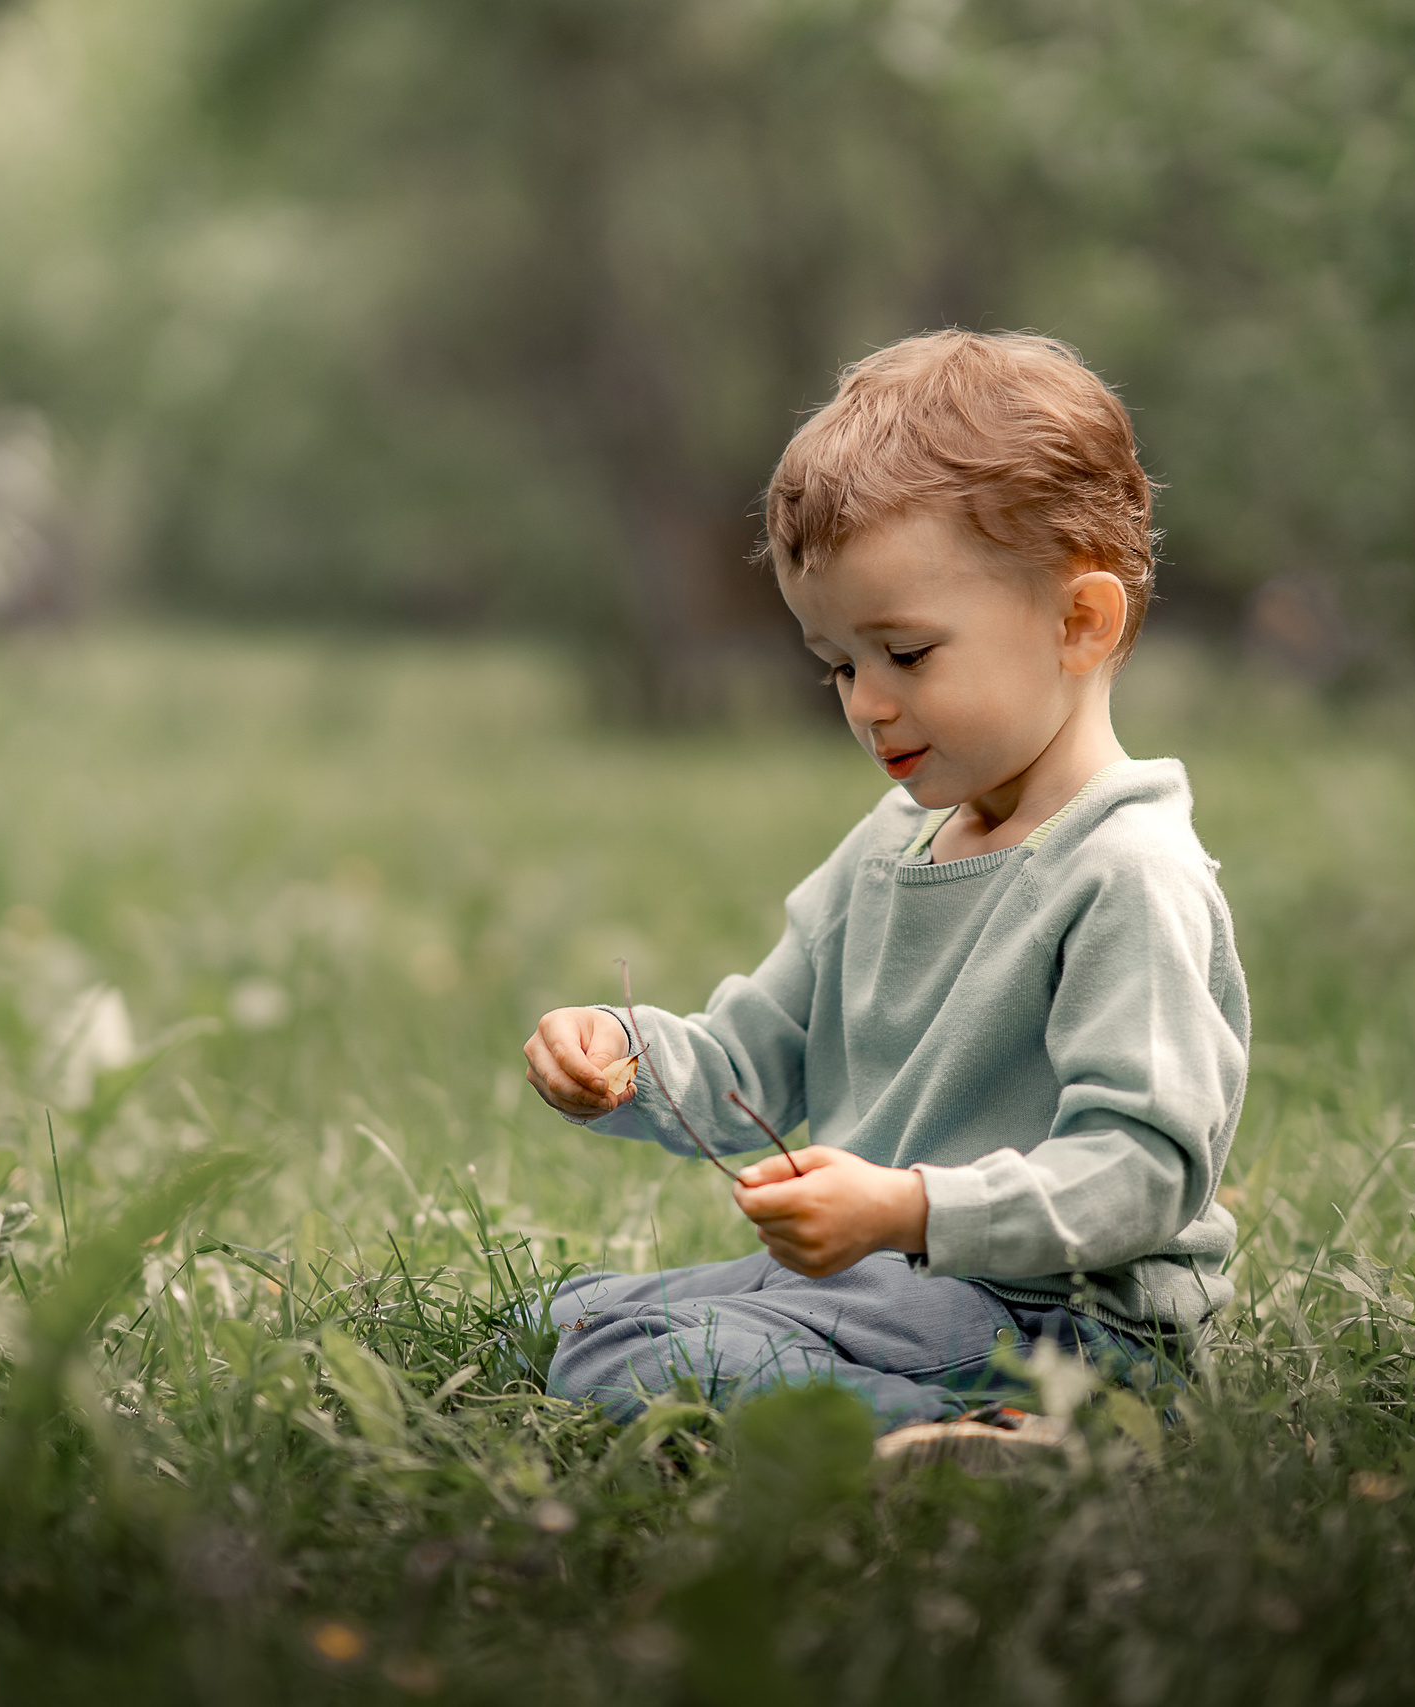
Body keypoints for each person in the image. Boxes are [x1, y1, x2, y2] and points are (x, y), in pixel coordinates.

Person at [520, 329, 1249, 1462]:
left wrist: (910, 1209)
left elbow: (1143, 1170)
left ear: (1078, 623)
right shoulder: (890, 848)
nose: (866, 704)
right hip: (899, 1285)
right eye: (839, 665)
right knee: (569, 1318)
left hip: (1065, 1323)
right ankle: (953, 1427)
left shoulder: (1125, 873)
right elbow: (751, 1064)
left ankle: (997, 1446)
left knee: (639, 1354)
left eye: (905, 654)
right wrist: (621, 1054)